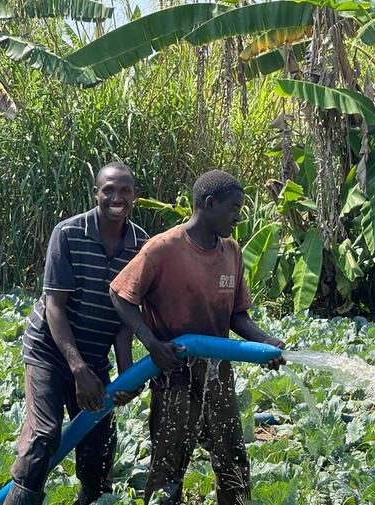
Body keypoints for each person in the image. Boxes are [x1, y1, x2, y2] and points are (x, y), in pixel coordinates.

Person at [109, 169, 286, 505]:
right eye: (233, 208)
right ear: (208, 203)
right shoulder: (163, 248)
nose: (238, 217)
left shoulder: (231, 251)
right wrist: (152, 344)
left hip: (217, 377)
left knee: (233, 463)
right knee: (168, 470)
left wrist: (266, 343)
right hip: (174, 376)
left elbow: (237, 315)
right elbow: (120, 295)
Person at [5, 162, 148, 505]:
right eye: (109, 190)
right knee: (43, 437)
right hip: (51, 352)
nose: (117, 197)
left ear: (134, 196)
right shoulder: (68, 233)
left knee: (99, 447)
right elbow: (54, 307)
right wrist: (77, 368)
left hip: (94, 355)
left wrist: (126, 369)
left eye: (124, 190)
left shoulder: (140, 244)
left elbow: (124, 315)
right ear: (96, 193)